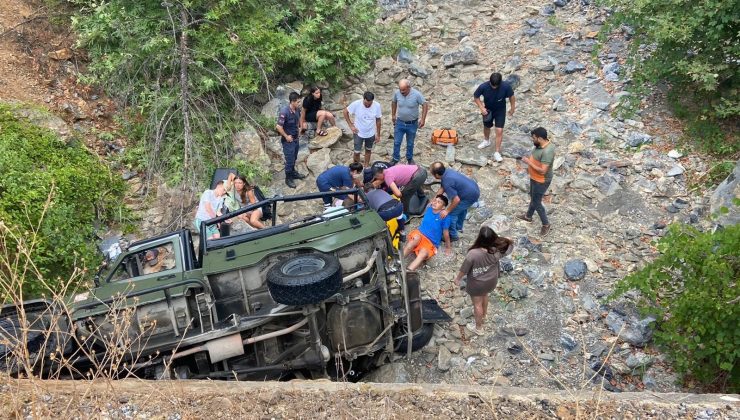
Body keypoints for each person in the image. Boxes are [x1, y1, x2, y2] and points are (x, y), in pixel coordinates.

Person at [451, 226, 513, 336]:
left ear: (479, 238)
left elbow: (464, 269)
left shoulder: (473, 254)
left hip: (477, 284)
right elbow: (511, 246)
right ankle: (484, 315)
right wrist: (507, 240)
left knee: (477, 304)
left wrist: (457, 279)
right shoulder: (497, 250)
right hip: (491, 281)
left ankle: (478, 327)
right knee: (485, 295)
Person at [518, 127, 556, 237]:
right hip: (534, 177)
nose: (532, 140)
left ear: (539, 138)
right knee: (533, 197)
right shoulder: (540, 145)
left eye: (533, 138)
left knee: (537, 202)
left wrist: (528, 162)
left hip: (541, 180)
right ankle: (528, 216)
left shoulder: (547, 151)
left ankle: (546, 224)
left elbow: (543, 170)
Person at [430, 161, 480, 241]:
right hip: (473, 189)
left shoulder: (447, 181)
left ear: (436, 175)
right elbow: (442, 188)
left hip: (469, 196)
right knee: (461, 209)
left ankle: (453, 235)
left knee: (452, 214)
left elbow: (456, 200)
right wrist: (435, 199)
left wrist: (447, 210)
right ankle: (458, 227)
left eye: (432, 174)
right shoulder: (447, 172)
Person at [473, 72, 516, 162]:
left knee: (499, 130)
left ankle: (497, 152)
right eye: (492, 86)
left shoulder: (506, 86)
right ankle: (486, 141)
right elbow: (476, 97)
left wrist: (512, 108)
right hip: (488, 110)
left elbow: (512, 97)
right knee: (487, 126)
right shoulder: (483, 86)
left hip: (500, 110)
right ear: (490, 82)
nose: (494, 87)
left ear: (500, 83)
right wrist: (481, 108)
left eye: (496, 86)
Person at [403, 195, 452, 271]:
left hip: (430, 242)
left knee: (423, 253)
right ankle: (399, 261)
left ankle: (408, 271)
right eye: (435, 200)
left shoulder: (445, 217)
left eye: (439, 202)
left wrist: (448, 247)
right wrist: (433, 200)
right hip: (420, 234)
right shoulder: (429, 208)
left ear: (443, 207)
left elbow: (446, 233)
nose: (435, 203)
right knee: (414, 240)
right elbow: (432, 200)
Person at [391, 79, 428, 165]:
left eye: (403, 90)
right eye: (400, 89)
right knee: (397, 142)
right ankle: (395, 158)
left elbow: (425, 104)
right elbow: (393, 102)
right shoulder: (397, 93)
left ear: (409, 87)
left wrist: (423, 119)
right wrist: (393, 114)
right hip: (399, 122)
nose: (401, 91)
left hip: (412, 124)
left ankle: (409, 158)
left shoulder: (417, 94)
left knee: (410, 143)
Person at [276, 92, 308, 188]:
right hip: (288, 141)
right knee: (289, 160)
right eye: (298, 102)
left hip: (295, 138)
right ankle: (288, 178)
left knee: (294, 157)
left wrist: (300, 128)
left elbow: (299, 120)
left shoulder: (297, 110)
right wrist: (286, 136)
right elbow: (278, 127)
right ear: (292, 102)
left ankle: (293, 172)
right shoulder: (284, 112)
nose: (299, 103)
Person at [343, 91, 382, 167]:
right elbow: (345, 112)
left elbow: (378, 120)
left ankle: (366, 166)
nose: (367, 105)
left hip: (371, 133)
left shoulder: (377, 105)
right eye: (366, 103)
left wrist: (378, 134)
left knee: (368, 150)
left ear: (372, 101)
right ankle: (356, 167)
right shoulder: (357, 104)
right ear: (363, 99)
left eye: (369, 104)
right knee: (357, 152)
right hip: (358, 133)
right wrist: (351, 125)